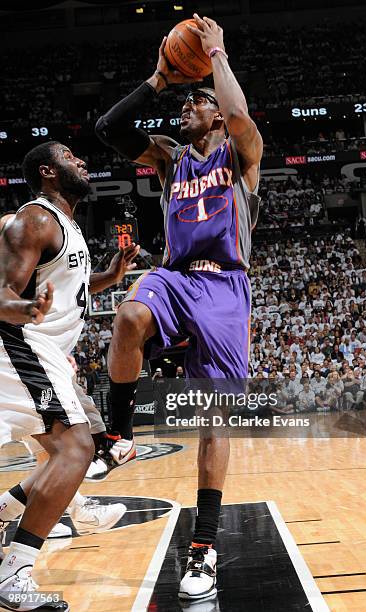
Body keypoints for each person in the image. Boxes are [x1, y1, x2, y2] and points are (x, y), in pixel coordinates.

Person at [95, 13, 262, 601]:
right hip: (175, 276)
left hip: (224, 289)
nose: (186, 108)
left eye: (197, 102)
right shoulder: (170, 158)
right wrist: (160, 80)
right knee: (127, 317)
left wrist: (215, 54)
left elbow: (239, 118)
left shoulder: (241, 156)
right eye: (183, 101)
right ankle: (118, 434)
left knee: (213, 423)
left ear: (215, 112)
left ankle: (204, 547)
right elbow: (108, 127)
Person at [0, 142, 138, 610]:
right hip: (21, 342)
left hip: (43, 350)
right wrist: (24, 308)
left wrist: (109, 275)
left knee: (67, 454)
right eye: (69, 156)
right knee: (78, 448)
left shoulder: (67, 227)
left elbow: (71, 287)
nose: (81, 160)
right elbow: (2, 293)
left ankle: (9, 515)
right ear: (48, 172)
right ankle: (14, 571)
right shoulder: (35, 219)